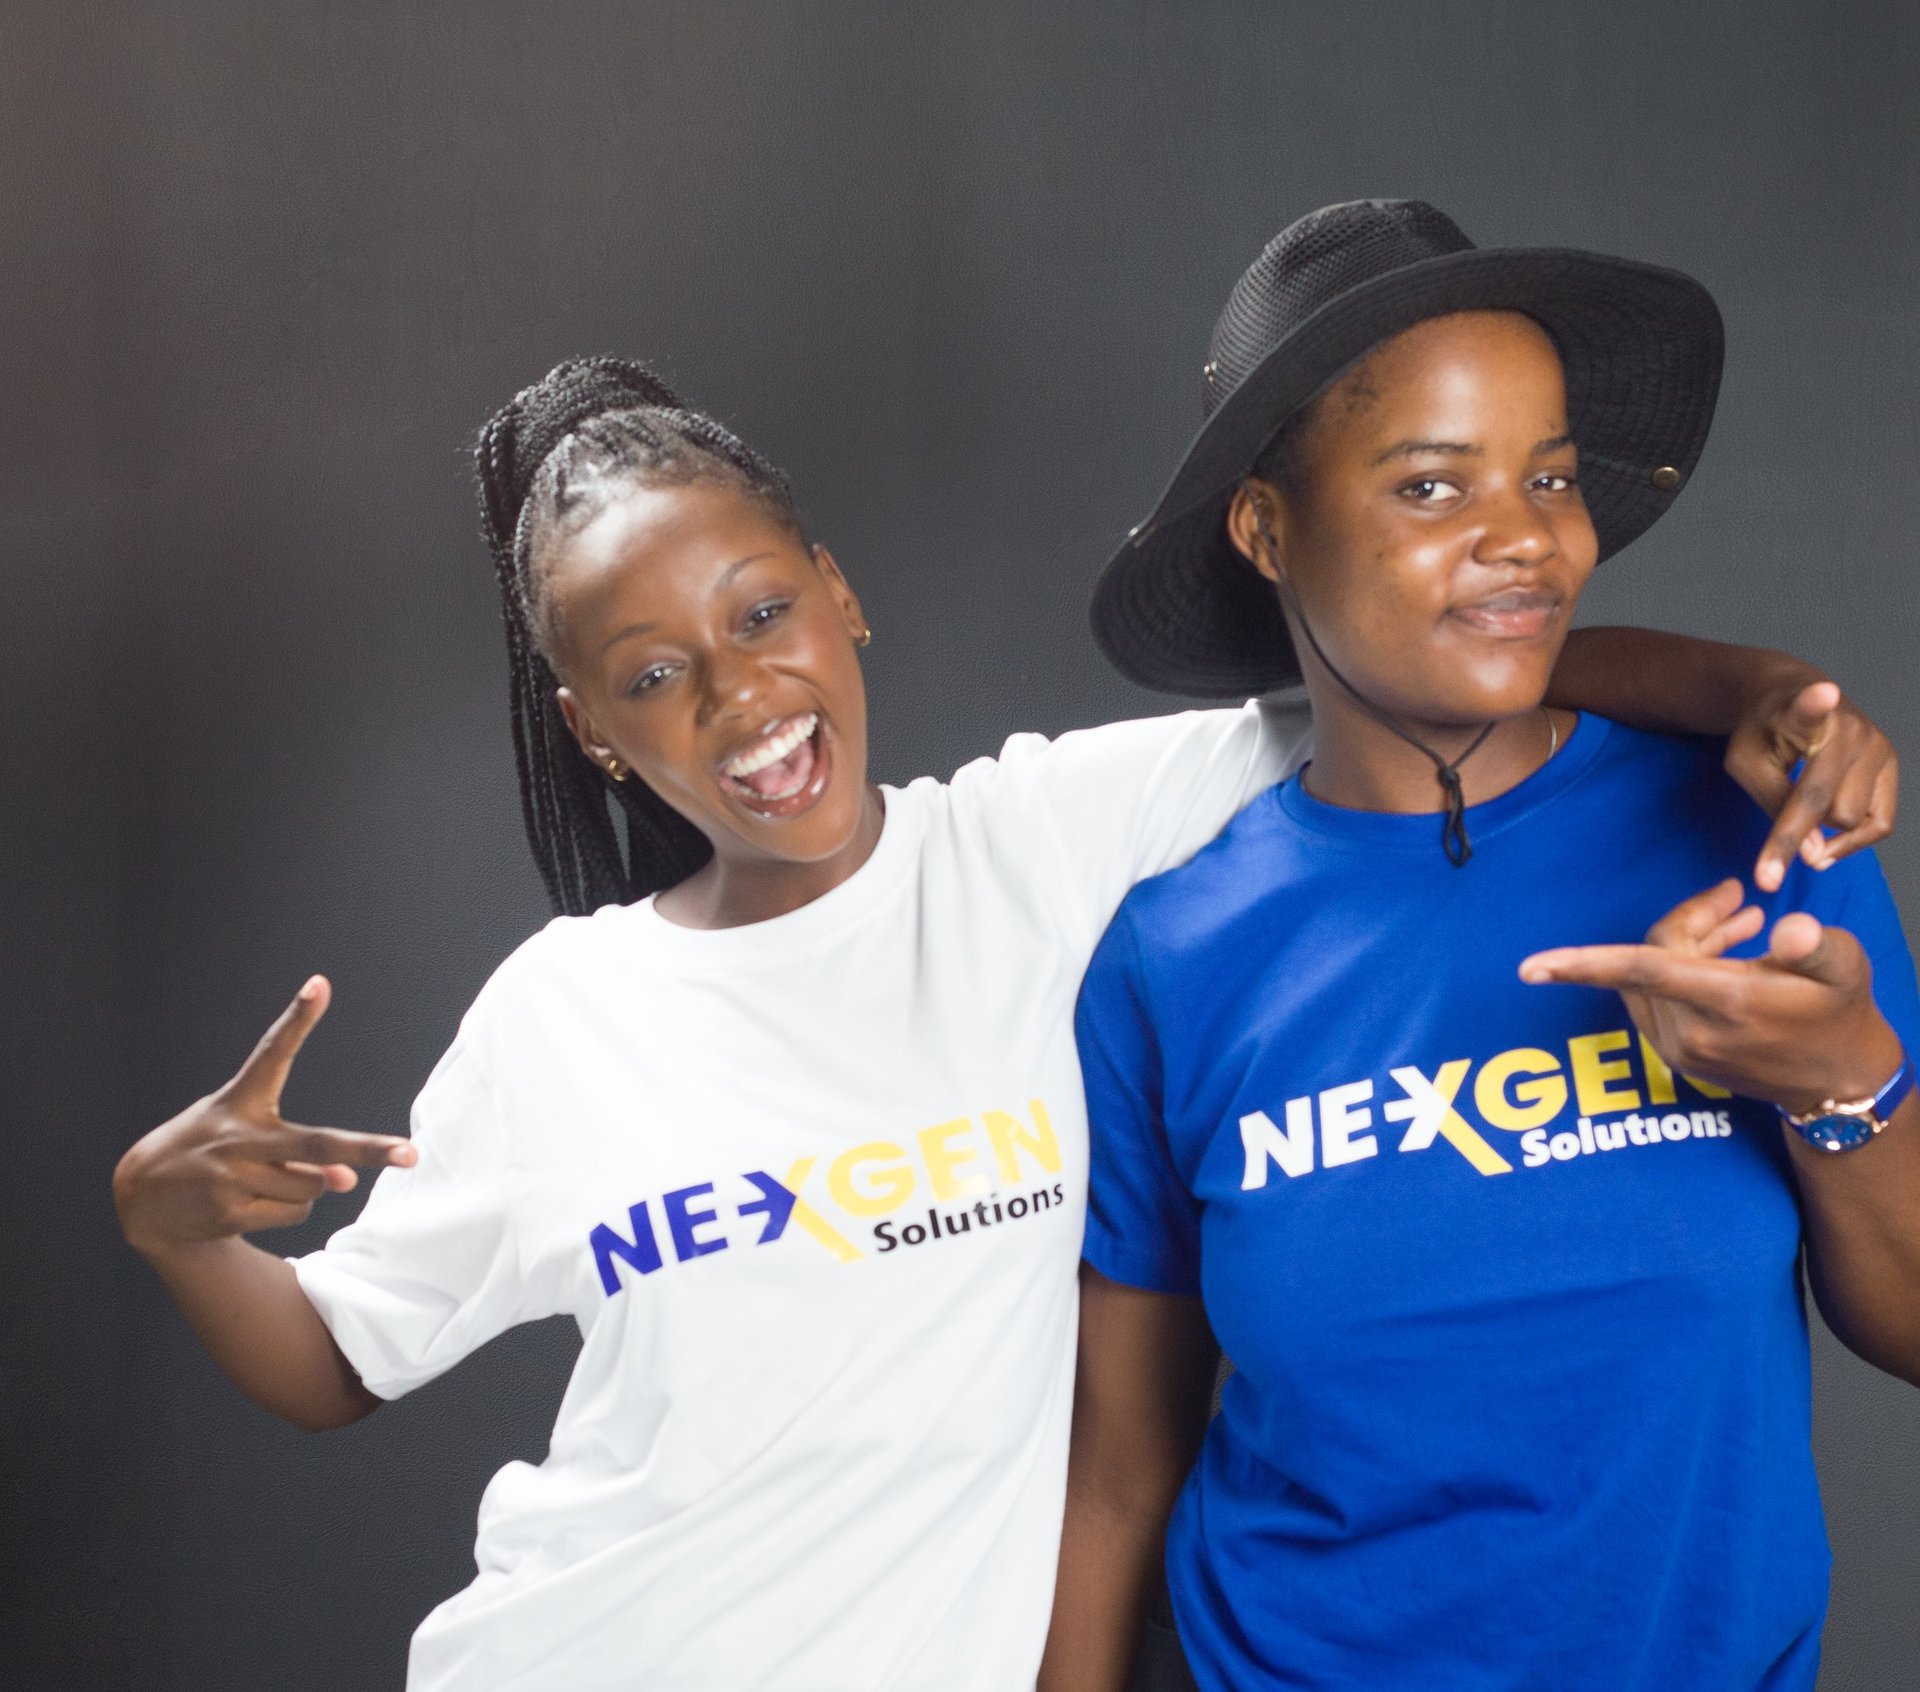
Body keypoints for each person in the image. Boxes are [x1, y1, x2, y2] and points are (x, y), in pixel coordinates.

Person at [112, 345, 1896, 1691]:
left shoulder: (1055, 844)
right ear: (595, 730)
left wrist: (1760, 690)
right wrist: (177, 1230)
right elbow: (339, 1365)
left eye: (762, 612)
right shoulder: (566, 1015)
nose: (738, 693)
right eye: (651, 676)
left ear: (841, 593)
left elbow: (1430, 640)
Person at [1043, 200, 1920, 1692]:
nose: (1527, 537)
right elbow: (1120, 1477)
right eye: (1434, 484)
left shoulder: (1762, 841)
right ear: (1267, 529)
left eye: (1552, 475)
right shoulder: (1174, 956)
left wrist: (1849, 1090)